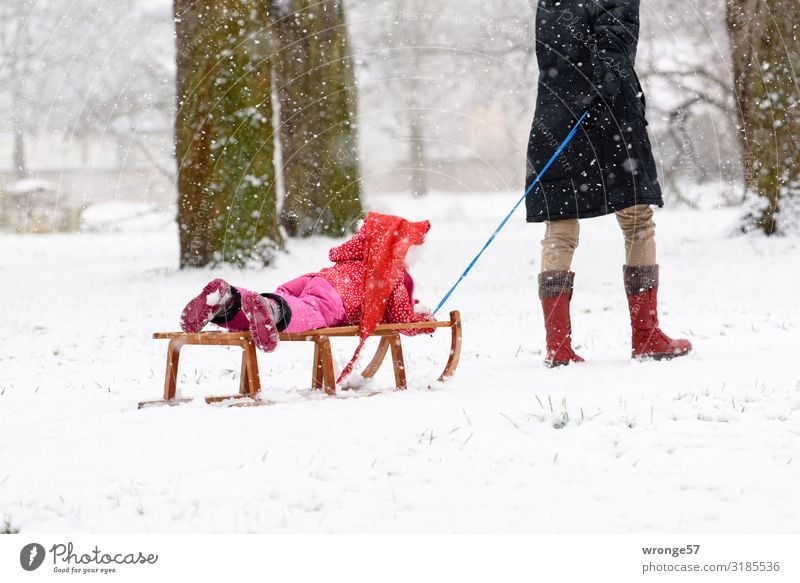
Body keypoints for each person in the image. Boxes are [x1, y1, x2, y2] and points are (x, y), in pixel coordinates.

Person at [525, 0, 691, 367]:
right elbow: (614, 54)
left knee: (560, 225)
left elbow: (558, 55)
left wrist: (571, 103)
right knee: (637, 222)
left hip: (554, 118)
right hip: (609, 121)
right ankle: (646, 336)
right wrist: (600, 94)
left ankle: (558, 347)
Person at [180, 212, 435, 382]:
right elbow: (401, 317)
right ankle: (270, 310)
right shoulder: (391, 276)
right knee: (305, 313)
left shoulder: (359, 256)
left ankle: (228, 301)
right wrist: (423, 321)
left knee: (274, 309)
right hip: (336, 298)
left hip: (315, 280)